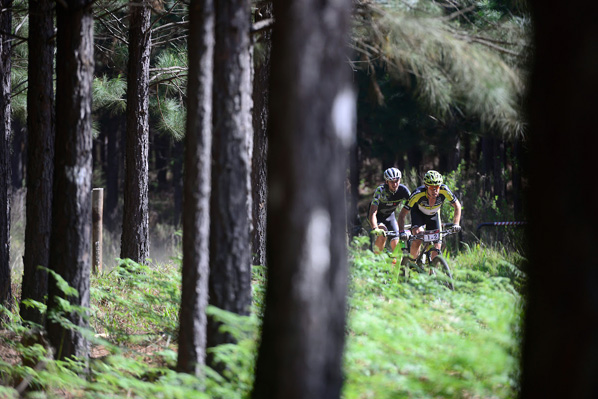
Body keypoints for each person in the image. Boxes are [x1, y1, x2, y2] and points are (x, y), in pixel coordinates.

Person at [397, 170, 461, 261]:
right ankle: (413, 264)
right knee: (418, 238)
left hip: (433, 215)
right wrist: (401, 231)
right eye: (431, 187)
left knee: (437, 246)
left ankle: (433, 272)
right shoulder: (418, 193)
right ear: (426, 186)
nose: (435, 190)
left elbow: (457, 206)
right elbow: (402, 214)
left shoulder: (445, 190)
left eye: (437, 187)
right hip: (419, 214)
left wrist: (456, 223)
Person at [369, 167, 411, 253]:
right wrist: (375, 228)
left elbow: (414, 206)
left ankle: (395, 265)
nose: (395, 184)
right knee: (382, 234)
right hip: (377, 217)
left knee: (397, 247)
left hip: (390, 217)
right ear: (386, 181)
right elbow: (373, 212)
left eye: (396, 181)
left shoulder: (403, 190)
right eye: (392, 181)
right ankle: (376, 261)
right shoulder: (380, 190)